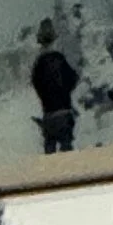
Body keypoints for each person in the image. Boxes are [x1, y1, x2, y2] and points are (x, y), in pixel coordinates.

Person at [31, 19, 80, 151]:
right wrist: (63, 93)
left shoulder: (38, 64)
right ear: (54, 40)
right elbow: (73, 79)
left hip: (48, 115)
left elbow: (36, 84)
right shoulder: (60, 59)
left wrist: (47, 97)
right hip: (64, 112)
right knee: (66, 152)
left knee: (50, 157)